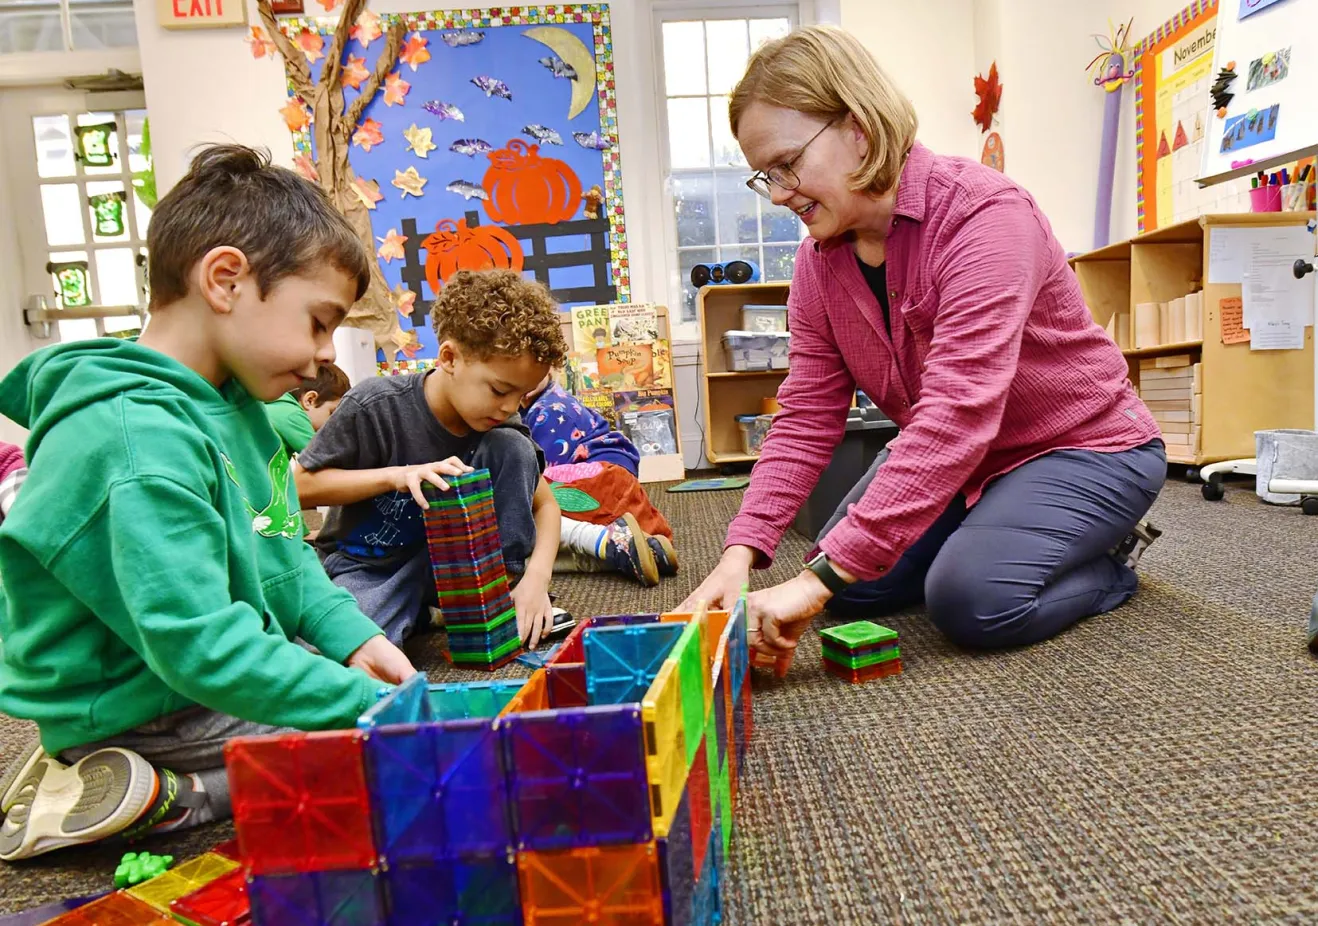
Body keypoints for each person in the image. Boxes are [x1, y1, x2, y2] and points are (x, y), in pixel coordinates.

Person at [681, 26, 1166, 660]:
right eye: (762, 177)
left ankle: (1110, 564)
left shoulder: (986, 216)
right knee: (849, 585)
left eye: (787, 165)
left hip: (1083, 449)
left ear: (858, 126)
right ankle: (999, 529)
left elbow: (956, 412)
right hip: (967, 461)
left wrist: (813, 581)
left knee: (971, 600)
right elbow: (805, 417)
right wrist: (739, 552)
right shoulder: (817, 264)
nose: (776, 194)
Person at [0, 145, 415, 861]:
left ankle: (134, 783)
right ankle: (148, 795)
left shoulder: (240, 411)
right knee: (373, 761)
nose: (323, 356)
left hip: (185, 678)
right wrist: (365, 707)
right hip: (138, 710)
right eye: (317, 322)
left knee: (360, 681)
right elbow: (198, 646)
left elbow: (285, 562)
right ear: (225, 279)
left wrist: (352, 639)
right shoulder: (132, 441)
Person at [295, 269, 566, 649]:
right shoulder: (374, 406)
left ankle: (496, 591)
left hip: (467, 572)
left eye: (521, 395)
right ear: (449, 357)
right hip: (374, 567)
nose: (509, 407)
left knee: (513, 447)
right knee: (333, 652)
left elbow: (547, 507)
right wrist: (397, 476)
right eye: (500, 390)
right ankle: (421, 614)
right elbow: (297, 486)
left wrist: (536, 580)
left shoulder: (501, 424)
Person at [520, 373, 678, 586]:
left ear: (547, 369)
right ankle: (639, 547)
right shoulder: (543, 401)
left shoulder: (548, 411)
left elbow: (540, 477)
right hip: (612, 481)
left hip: (600, 482)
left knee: (527, 509)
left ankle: (615, 546)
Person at [266, 361, 351, 456]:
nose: (335, 425)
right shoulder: (293, 415)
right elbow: (321, 456)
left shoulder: (279, 407)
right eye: (332, 413)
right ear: (310, 400)